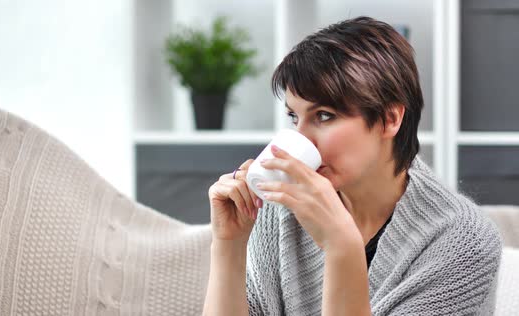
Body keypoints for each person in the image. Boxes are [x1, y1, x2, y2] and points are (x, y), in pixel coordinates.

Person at [201, 16, 502, 316]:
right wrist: (229, 245)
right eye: (294, 117)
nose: (300, 138)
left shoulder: (463, 242)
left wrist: (342, 247)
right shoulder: (281, 211)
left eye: (324, 116)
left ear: (390, 119)